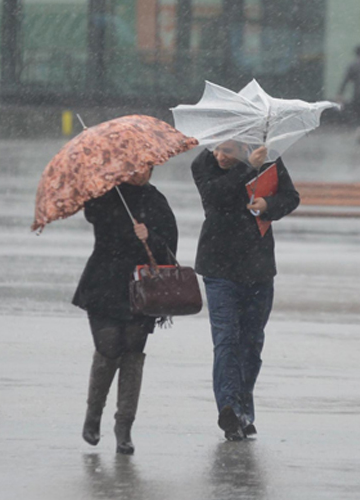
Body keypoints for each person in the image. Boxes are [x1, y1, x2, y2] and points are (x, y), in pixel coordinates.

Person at [191, 141, 299, 441]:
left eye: (227, 150)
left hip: (258, 267)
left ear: (242, 144)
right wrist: (248, 166)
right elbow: (216, 195)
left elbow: (291, 197)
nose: (219, 156)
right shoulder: (203, 164)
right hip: (218, 267)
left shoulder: (269, 161)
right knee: (226, 339)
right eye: (217, 149)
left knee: (251, 344)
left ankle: (242, 411)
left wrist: (269, 206)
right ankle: (227, 407)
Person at [73, 168, 178, 455]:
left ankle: (124, 426)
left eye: (148, 167)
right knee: (108, 348)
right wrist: (101, 185)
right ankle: (94, 415)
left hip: (140, 288)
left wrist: (150, 236)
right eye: (136, 167)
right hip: (103, 283)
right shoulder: (105, 194)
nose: (142, 172)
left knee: (132, 352)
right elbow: (93, 214)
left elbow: (169, 246)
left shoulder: (156, 200)